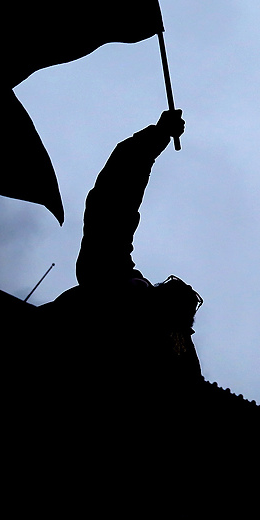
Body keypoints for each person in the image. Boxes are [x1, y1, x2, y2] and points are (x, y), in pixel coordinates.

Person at [40, 109, 203, 384]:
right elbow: (114, 200)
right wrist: (157, 137)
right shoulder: (111, 282)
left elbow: (113, 202)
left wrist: (158, 136)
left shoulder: (112, 283)